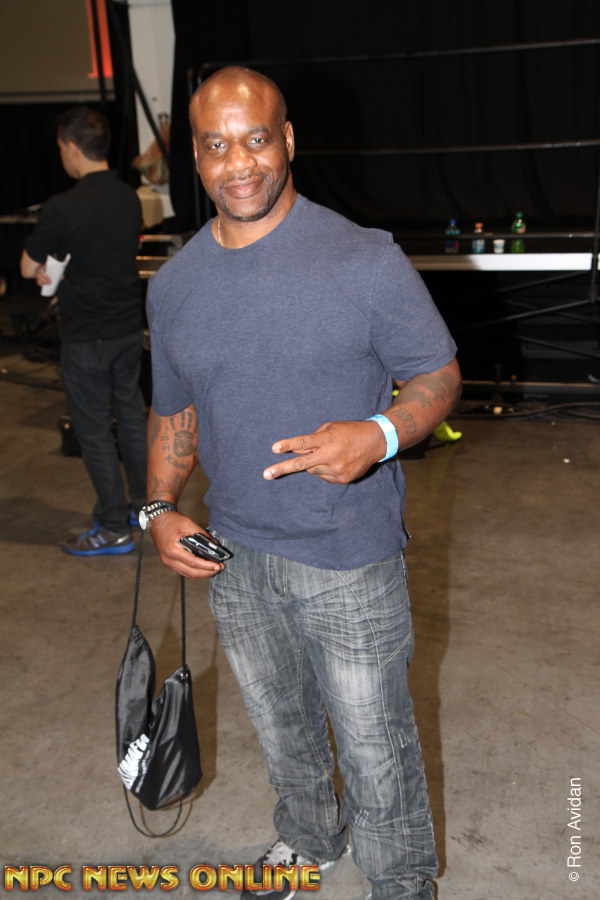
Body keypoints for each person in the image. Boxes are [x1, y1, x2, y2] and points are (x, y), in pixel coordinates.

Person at [143, 66, 461, 900]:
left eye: (256, 139)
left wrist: (379, 434)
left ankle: (401, 882)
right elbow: (174, 412)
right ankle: (309, 839)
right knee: (280, 723)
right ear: (196, 159)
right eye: (216, 145)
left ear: (287, 140)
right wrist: (159, 508)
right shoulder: (175, 287)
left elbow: (438, 375)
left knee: (374, 740)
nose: (239, 163)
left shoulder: (364, 258)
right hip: (235, 554)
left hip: (348, 554)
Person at [21, 106, 147, 556]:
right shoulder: (128, 197)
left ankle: (112, 527)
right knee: (131, 419)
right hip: (127, 329)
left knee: (93, 431)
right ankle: (143, 508)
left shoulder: (63, 206)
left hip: (85, 337)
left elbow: (28, 267)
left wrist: (46, 268)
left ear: (72, 147)